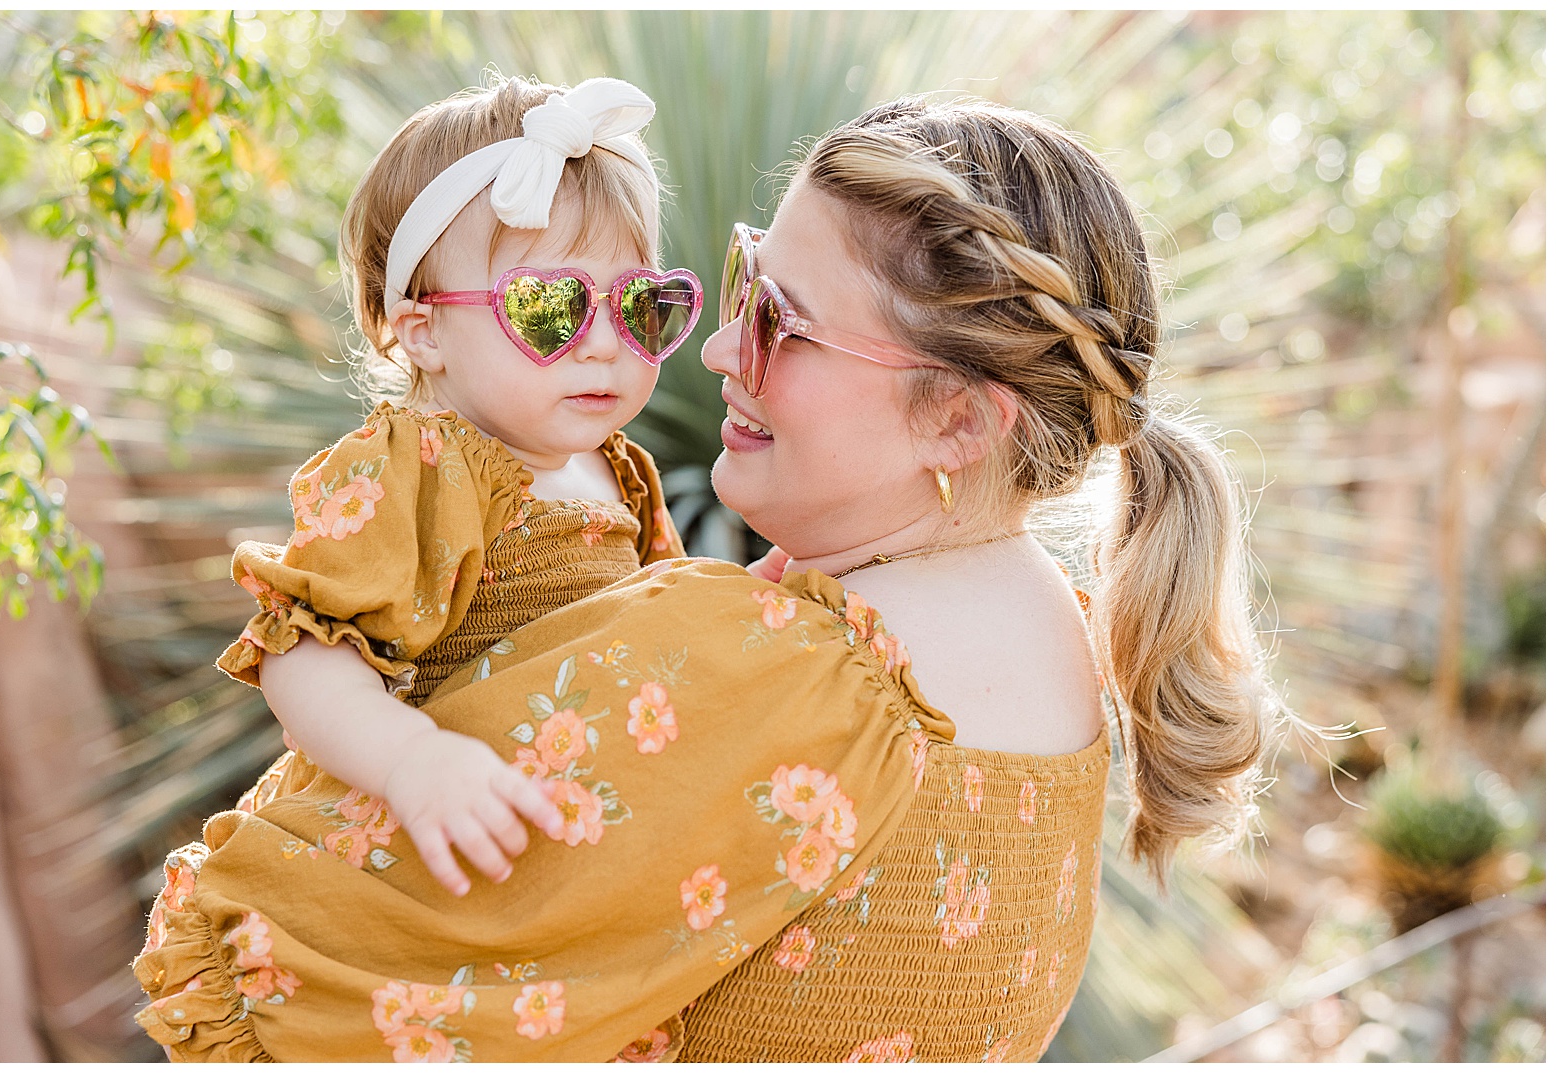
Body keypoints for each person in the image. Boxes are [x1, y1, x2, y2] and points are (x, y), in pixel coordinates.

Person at [132, 95, 1284, 1063]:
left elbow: (305, 944)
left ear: (958, 420)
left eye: (781, 320)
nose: (721, 348)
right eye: (742, 282)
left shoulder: (779, 666)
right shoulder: (1063, 652)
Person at [208, 73, 703, 898]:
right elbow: (303, 651)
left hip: (556, 851)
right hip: (432, 857)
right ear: (425, 329)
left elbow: (665, 622)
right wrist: (409, 757)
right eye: (551, 308)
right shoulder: (417, 464)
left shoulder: (621, 468)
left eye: (638, 305)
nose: (604, 345)